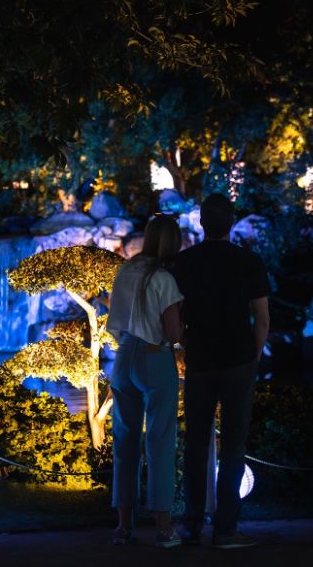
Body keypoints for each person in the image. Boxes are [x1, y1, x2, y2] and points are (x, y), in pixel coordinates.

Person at [172, 193, 270, 549]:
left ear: (201, 223)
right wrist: (253, 358)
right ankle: (225, 528)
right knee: (233, 446)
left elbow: (175, 316)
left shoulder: (183, 263)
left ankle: (191, 523)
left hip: (199, 360)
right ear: (231, 222)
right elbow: (261, 320)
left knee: (195, 443)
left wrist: (183, 344)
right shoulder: (249, 262)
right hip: (239, 360)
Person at [106, 214, 184, 548]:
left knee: (124, 441)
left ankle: (124, 527)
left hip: (123, 357)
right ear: (174, 243)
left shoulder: (126, 271)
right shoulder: (163, 278)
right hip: (155, 357)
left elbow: (116, 319)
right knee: (160, 441)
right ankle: (164, 529)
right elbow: (174, 332)